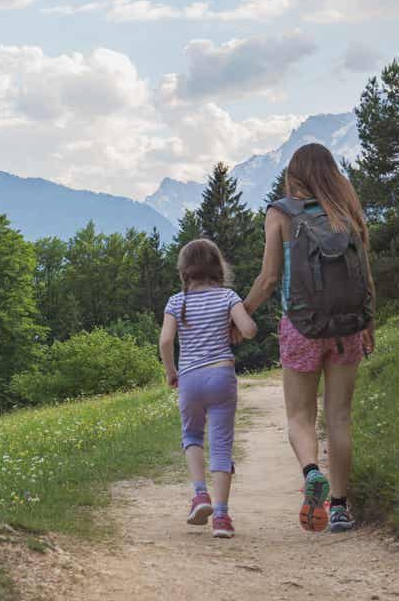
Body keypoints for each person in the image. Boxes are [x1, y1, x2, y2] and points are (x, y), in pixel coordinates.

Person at [240, 143, 375, 533]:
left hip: (300, 327)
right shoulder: (346, 211)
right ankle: (338, 507)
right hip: (347, 328)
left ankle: (311, 471)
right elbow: (365, 275)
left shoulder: (280, 213)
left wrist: (241, 313)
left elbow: (268, 279)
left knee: (300, 415)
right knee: (340, 418)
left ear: (295, 175)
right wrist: (369, 323)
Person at [159, 238, 257, 539]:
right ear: (218, 267)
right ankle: (222, 518)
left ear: (184, 270)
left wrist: (171, 371)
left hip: (189, 378)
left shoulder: (177, 301)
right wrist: (234, 323)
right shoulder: (228, 296)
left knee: (191, 435)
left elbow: (165, 341)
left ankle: (200, 495)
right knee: (222, 445)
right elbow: (250, 331)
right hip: (221, 375)